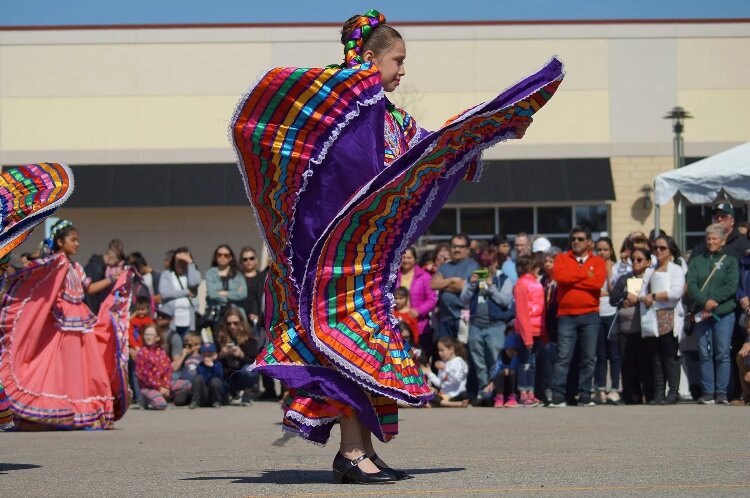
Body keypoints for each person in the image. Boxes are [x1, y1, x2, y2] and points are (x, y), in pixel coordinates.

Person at [230, 7, 562, 484]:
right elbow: (328, 172)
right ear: (369, 57)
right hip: (330, 262)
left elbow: (431, 152)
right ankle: (350, 452)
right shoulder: (338, 108)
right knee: (347, 346)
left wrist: (487, 132)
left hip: (365, 261)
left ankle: (360, 448)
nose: (403, 70)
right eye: (397, 59)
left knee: (365, 347)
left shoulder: (390, 118)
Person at [0, 220, 132, 429]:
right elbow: (40, 282)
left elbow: (88, 288)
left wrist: (113, 279)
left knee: (84, 370)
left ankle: (83, 413)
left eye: (78, 240)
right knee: (62, 371)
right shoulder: (56, 263)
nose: (77, 244)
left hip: (81, 320)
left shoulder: (76, 267)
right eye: (73, 240)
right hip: (61, 323)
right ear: (60, 242)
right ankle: (64, 411)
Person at [549, 226, 606, 407]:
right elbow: (560, 277)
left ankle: (584, 395)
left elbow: (597, 282)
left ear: (589, 242)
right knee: (563, 357)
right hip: (566, 315)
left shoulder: (597, 261)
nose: (576, 242)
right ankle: (558, 395)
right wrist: (584, 276)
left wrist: (573, 280)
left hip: (590, 315)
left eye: (580, 239)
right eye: (573, 239)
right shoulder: (561, 258)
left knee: (588, 358)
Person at [687, 224, 740, 405]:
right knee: (704, 352)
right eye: (708, 238)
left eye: (714, 238)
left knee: (722, 352)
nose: (711, 241)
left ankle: (722, 392)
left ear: (722, 240)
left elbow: (731, 285)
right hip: (703, 312)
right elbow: (691, 284)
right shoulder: (696, 261)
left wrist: (714, 301)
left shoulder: (730, 261)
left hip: (723, 313)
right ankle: (708, 392)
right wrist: (704, 302)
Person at [460, 246, 514, 398]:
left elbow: (505, 301)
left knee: (495, 360)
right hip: (475, 325)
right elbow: (463, 299)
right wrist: (471, 284)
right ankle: (484, 391)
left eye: (488, 264)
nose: (485, 268)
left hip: (496, 326)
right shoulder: (473, 277)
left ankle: (497, 391)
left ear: (496, 262)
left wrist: (491, 287)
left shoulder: (503, 279)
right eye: (482, 264)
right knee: (479, 363)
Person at [638, 235, 686, 404]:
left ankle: (673, 392)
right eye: (655, 248)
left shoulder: (675, 270)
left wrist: (654, 295)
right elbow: (640, 292)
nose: (658, 251)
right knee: (655, 357)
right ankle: (659, 392)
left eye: (662, 248)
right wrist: (644, 298)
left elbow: (676, 293)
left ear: (670, 250)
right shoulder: (650, 270)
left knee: (670, 356)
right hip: (652, 317)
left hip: (669, 316)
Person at [610, 247, 653, 404]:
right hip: (625, 329)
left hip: (644, 328)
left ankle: (649, 394)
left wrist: (639, 298)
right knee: (627, 364)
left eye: (639, 259)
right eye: (632, 259)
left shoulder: (651, 278)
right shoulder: (625, 278)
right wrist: (624, 296)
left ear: (648, 262)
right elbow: (613, 298)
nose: (635, 262)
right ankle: (630, 395)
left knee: (645, 363)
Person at [432, 233, 479, 340]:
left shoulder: (473, 265)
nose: (457, 249)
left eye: (461, 247)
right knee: (446, 351)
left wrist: (442, 284)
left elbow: (462, 286)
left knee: (462, 351)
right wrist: (452, 280)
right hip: (445, 318)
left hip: (463, 318)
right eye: (454, 246)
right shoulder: (444, 266)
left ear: (467, 249)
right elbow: (433, 284)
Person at [513, 254, 545, 407]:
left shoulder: (534, 283)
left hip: (537, 330)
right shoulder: (521, 285)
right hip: (528, 331)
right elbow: (522, 313)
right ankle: (523, 393)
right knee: (525, 363)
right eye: (536, 266)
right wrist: (527, 337)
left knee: (532, 364)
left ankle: (531, 392)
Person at [135, 324, 191, 409]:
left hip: (163, 384)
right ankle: (147, 400)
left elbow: (168, 370)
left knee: (187, 384)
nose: (148, 337)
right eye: (146, 335)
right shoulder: (141, 353)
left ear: (157, 338)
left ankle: (167, 398)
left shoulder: (161, 352)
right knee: (161, 405)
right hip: (148, 387)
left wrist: (166, 387)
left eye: (151, 335)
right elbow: (145, 377)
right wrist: (159, 388)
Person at [593, 236, 622, 405]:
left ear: (611, 250)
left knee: (614, 353)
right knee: (601, 355)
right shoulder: (592, 267)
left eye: (605, 249)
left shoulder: (616, 268)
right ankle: (600, 388)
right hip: (597, 312)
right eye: (599, 249)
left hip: (612, 313)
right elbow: (592, 290)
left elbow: (615, 291)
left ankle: (615, 389)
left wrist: (609, 270)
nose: (602, 253)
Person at [215, 307, 262, 404]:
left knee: (250, 370)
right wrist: (221, 355)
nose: (232, 326)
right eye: (229, 324)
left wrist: (241, 355)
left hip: (241, 374)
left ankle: (247, 392)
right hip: (225, 375)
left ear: (241, 322)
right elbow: (209, 360)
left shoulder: (249, 338)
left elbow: (256, 363)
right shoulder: (219, 337)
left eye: (236, 323)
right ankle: (231, 393)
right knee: (222, 398)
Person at [396, 246, 437, 345]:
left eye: (409, 258)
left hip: (419, 325)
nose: (406, 260)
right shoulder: (394, 276)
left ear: (415, 259)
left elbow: (432, 299)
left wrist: (418, 311)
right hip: (398, 322)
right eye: (403, 257)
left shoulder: (424, 276)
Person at [159, 247, 201, 338]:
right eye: (179, 261)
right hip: (172, 319)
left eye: (184, 262)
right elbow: (165, 293)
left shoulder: (194, 273)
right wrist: (186, 292)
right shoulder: (167, 274)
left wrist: (190, 263)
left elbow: (194, 283)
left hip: (189, 319)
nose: (181, 265)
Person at [421, 337, 470, 407]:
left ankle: (448, 403)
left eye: (442, 350)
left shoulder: (459, 361)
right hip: (445, 395)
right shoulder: (444, 363)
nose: (439, 353)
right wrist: (429, 373)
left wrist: (445, 369)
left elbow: (457, 380)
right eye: (438, 350)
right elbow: (440, 384)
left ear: (451, 350)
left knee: (431, 397)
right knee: (425, 392)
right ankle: (453, 404)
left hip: (457, 394)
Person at [205, 244, 247, 324]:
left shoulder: (238, 274)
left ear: (230, 258)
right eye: (219, 255)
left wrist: (224, 293)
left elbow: (243, 294)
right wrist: (234, 293)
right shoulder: (210, 273)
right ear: (216, 257)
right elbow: (212, 294)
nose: (222, 257)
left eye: (226, 255)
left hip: (235, 313)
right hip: (216, 314)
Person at [487, 332, 523, 408]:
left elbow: (519, 371)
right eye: (509, 349)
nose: (511, 351)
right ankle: (499, 397)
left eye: (514, 349)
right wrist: (492, 381)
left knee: (512, 372)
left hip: (515, 386)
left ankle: (513, 398)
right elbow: (496, 370)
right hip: (502, 385)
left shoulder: (519, 359)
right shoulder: (501, 358)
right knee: (500, 372)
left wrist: (510, 369)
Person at [190, 343, 225, 409]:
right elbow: (204, 378)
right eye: (205, 354)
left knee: (215, 380)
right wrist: (206, 366)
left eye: (210, 353)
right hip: (204, 393)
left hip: (214, 393)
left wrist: (212, 366)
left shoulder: (218, 364)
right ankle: (195, 401)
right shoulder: (200, 365)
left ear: (215, 354)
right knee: (198, 378)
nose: (207, 355)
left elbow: (220, 376)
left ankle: (216, 401)